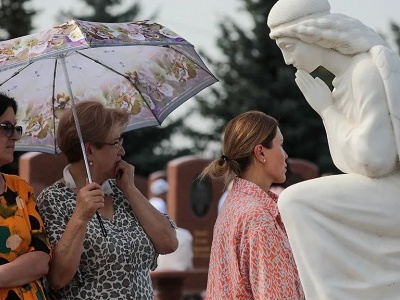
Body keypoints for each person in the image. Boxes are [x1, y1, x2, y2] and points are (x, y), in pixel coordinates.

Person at [268, 0, 400, 299]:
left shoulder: (366, 71)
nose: (288, 61)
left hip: (393, 193)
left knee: (296, 201)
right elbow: (354, 165)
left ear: (314, 34)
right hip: (382, 190)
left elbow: (374, 161)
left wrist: (328, 112)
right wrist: (329, 109)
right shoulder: (344, 81)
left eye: (289, 47)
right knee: (296, 202)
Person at [36, 100, 178, 299]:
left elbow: (169, 243)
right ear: (90, 150)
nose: (122, 151)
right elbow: (58, 278)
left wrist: (130, 189)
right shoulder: (54, 200)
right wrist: (80, 217)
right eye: (116, 143)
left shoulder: (122, 192)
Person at [202, 111, 304, 299]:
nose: (286, 154)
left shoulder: (235, 204)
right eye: (280, 145)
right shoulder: (259, 217)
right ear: (261, 152)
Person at [0, 93, 51, 300]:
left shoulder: (21, 188)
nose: (14, 136)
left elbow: (41, 259)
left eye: (15, 128)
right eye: (5, 128)